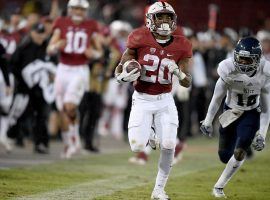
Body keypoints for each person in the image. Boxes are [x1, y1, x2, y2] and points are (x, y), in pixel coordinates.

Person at [115, 2, 192, 199]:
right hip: (141, 99)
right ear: (150, 19)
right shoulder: (139, 37)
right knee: (137, 146)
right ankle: (149, 131)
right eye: (161, 17)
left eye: (169, 17)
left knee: (168, 145)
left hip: (165, 100)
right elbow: (121, 66)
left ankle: (159, 190)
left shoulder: (182, 44)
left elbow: (187, 82)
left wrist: (178, 72)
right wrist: (121, 76)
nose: (165, 21)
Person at [200, 37, 270, 198]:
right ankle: (228, 163)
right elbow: (217, 97)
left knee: (240, 151)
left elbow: (266, 109)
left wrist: (262, 135)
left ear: (258, 58)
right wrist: (209, 120)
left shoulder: (265, 72)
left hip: (251, 113)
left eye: (248, 59)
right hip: (230, 112)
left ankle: (219, 187)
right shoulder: (227, 68)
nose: (243, 63)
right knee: (224, 156)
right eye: (241, 58)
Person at [47, 0, 103, 158]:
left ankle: (73, 139)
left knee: (69, 106)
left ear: (86, 11)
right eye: (76, 8)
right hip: (63, 68)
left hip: (79, 69)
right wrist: (56, 46)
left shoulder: (91, 24)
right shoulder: (61, 22)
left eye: (81, 9)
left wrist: (94, 54)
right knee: (61, 110)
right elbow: (50, 48)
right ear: (70, 9)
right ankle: (70, 141)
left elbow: (99, 51)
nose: (78, 11)